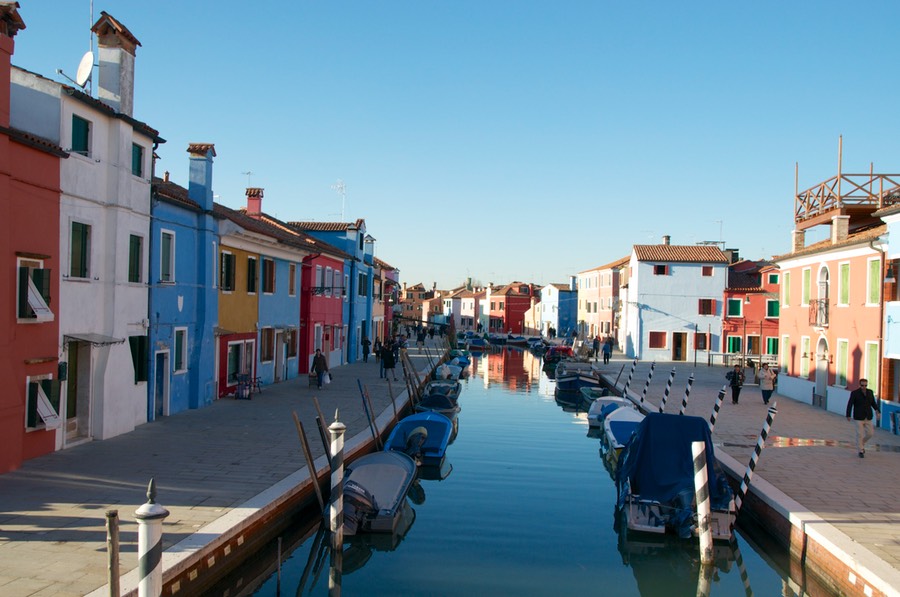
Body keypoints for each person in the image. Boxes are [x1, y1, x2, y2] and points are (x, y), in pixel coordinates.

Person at [846, 379, 881, 458]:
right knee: (860, 434)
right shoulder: (855, 393)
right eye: (862, 385)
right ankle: (861, 451)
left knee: (870, 433)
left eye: (865, 385)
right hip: (858, 417)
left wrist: (877, 411)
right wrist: (848, 414)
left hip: (868, 417)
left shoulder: (870, 392)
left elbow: (873, 403)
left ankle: (861, 443)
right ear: (859, 385)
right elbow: (850, 404)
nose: (864, 387)